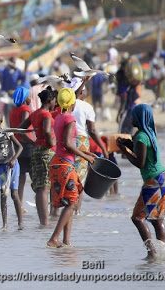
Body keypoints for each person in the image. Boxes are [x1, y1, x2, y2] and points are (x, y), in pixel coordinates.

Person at [117, 104, 165, 260]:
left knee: (137, 218)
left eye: (133, 116)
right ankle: (162, 253)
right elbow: (143, 150)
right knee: (156, 219)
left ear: (139, 118)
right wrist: (128, 144)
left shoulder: (141, 136)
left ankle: (152, 253)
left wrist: (124, 151)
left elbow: (140, 162)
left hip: (153, 180)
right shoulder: (149, 133)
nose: (131, 118)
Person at [46, 88, 96, 248]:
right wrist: (86, 156)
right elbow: (68, 143)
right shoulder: (70, 119)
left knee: (70, 200)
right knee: (72, 203)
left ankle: (66, 241)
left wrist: (84, 152)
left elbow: (63, 143)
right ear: (72, 103)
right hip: (65, 164)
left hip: (58, 162)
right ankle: (54, 238)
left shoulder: (60, 117)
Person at [20, 88, 56, 226]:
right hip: (46, 151)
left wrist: (33, 142)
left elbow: (22, 129)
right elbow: (47, 130)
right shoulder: (46, 114)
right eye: (54, 100)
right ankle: (45, 222)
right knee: (44, 188)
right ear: (49, 100)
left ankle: (43, 222)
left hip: (36, 150)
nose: (55, 102)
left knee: (40, 187)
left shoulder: (35, 113)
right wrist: (51, 142)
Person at [72, 80, 108, 213]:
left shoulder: (65, 104)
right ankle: (76, 211)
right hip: (80, 141)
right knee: (79, 178)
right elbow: (92, 130)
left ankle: (60, 211)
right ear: (81, 92)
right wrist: (103, 147)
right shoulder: (86, 107)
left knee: (67, 176)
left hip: (65, 141)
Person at [9, 86, 33, 206]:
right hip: (27, 145)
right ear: (25, 98)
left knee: (21, 176)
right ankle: (43, 202)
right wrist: (33, 142)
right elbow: (23, 129)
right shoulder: (25, 109)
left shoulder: (13, 110)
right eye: (28, 95)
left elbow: (12, 129)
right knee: (36, 176)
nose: (30, 98)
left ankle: (20, 204)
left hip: (17, 146)